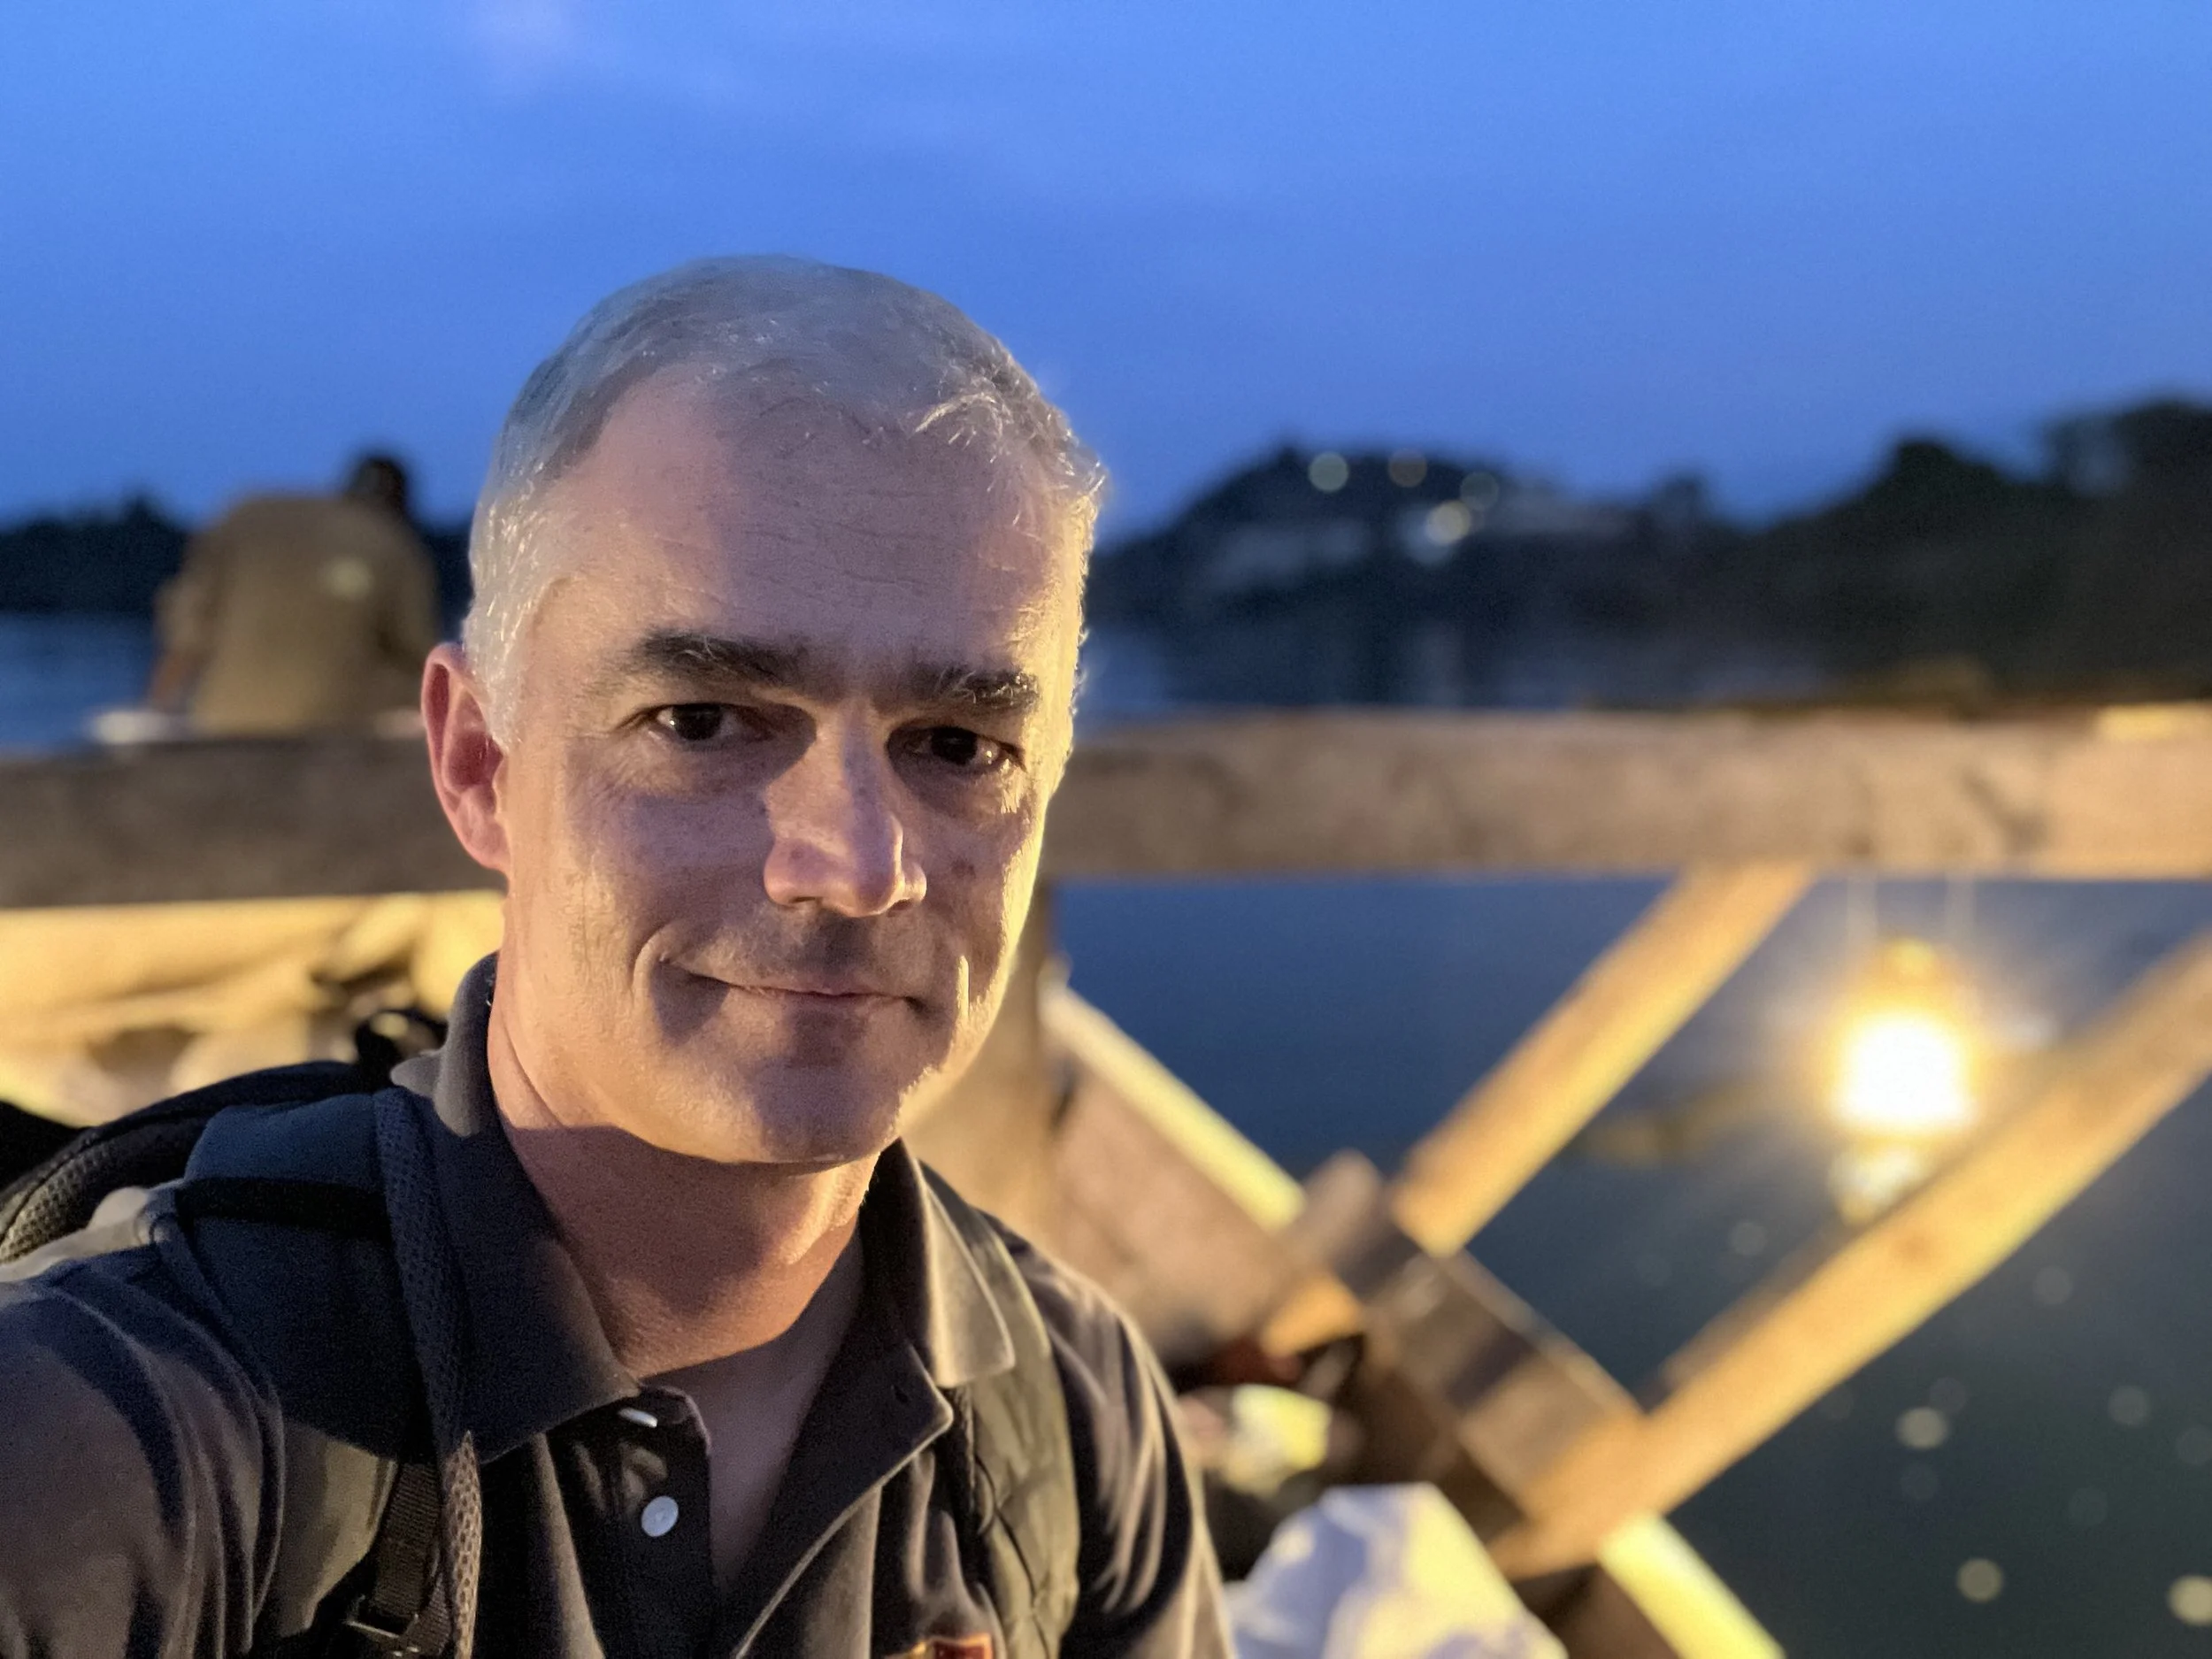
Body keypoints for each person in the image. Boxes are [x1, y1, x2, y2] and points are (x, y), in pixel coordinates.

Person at [0, 259, 1228, 1655]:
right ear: (477, 760)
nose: (853, 862)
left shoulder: (1077, 1425)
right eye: (704, 719)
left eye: (959, 745)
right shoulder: (114, 1450)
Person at [147, 451, 441, 733]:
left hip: (222, 715)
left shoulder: (245, 514)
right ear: (402, 501)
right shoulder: (393, 541)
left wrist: (156, 706)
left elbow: (187, 632)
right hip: (337, 725)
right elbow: (421, 654)